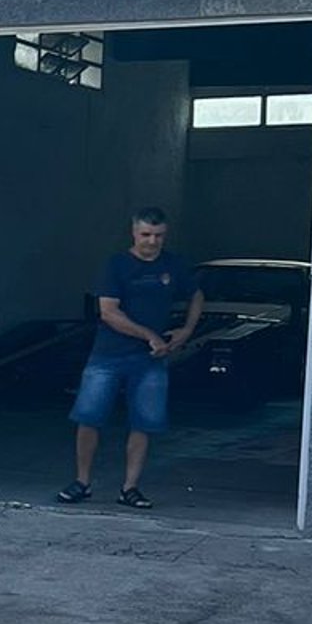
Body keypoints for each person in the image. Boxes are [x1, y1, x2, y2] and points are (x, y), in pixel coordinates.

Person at [57, 207, 203, 510]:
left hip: (150, 360)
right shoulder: (116, 265)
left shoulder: (173, 265)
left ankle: (130, 487)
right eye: (146, 234)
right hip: (108, 355)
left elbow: (196, 294)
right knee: (88, 417)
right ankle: (82, 482)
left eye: (158, 235)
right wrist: (149, 335)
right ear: (134, 233)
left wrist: (187, 330)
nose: (152, 241)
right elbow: (109, 312)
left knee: (144, 423)